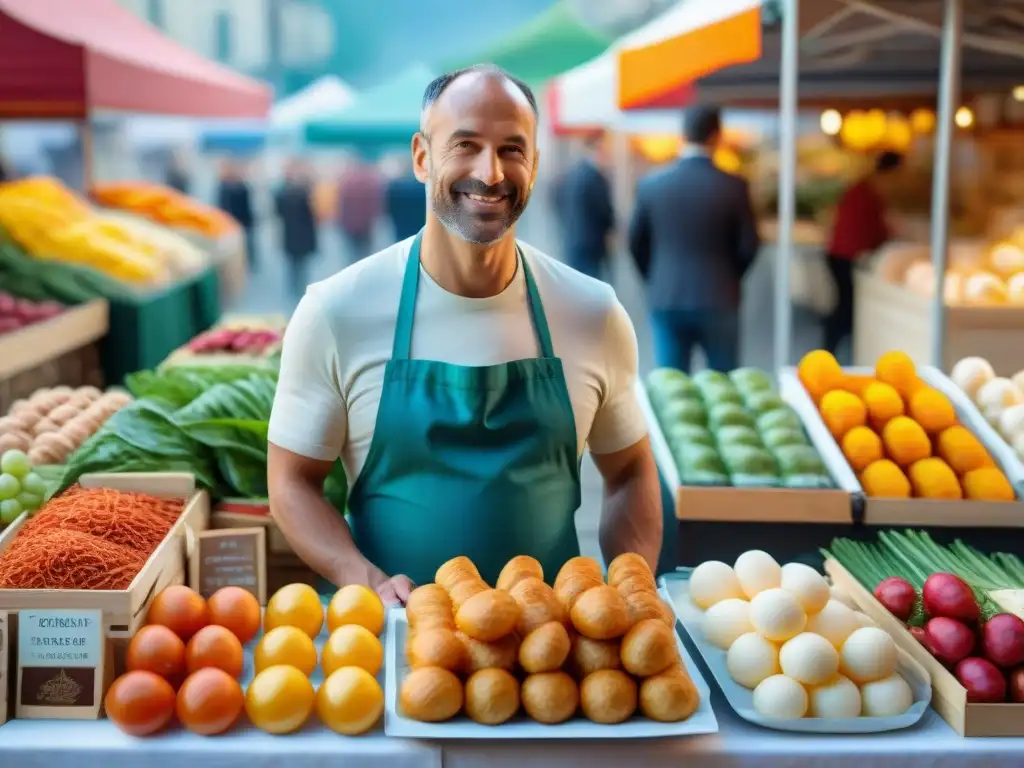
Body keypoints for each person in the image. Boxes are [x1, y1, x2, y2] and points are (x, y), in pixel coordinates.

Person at [267, 64, 662, 604]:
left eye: (512, 149)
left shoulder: (593, 313)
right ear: (422, 157)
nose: (492, 172)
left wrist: (630, 590)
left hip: (551, 656)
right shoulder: (337, 311)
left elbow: (632, 470)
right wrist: (363, 580)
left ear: (536, 163)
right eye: (466, 144)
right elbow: (291, 480)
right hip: (397, 651)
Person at [629, 105, 760, 373]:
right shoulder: (734, 186)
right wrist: (729, 275)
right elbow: (749, 245)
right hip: (720, 295)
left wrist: (654, 276)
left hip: (666, 294)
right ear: (717, 135)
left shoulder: (652, 184)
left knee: (672, 387)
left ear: (684, 134)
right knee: (725, 390)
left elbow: (635, 242)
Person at [825, 151, 902, 357]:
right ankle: (831, 351)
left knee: (846, 306)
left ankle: (833, 350)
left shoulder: (864, 188)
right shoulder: (868, 192)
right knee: (846, 308)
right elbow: (872, 229)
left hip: (842, 253)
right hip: (847, 255)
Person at [552, 133, 615, 280]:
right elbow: (605, 210)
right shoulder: (594, 176)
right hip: (591, 243)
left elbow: (558, 201)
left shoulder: (571, 173)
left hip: (572, 239)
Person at [275, 160, 319, 307]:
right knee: (302, 264)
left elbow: (277, 213)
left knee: (292, 265)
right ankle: (301, 289)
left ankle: (293, 289)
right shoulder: (305, 193)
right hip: (304, 235)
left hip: (289, 234)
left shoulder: (282, 193)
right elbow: (314, 214)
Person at [335, 158, 383, 262]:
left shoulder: (346, 183)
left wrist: (341, 221)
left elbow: (342, 205)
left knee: (351, 252)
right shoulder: (369, 183)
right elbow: (375, 205)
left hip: (350, 224)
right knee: (365, 252)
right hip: (366, 224)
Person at [216, 160, 257, 270]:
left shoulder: (240, 187)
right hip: (234, 222)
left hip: (240, 222)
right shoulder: (225, 186)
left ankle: (246, 264)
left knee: (244, 247)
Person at [384, 157, 427, 242]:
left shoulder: (394, 188)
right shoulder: (423, 188)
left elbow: (388, 208)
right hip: (420, 229)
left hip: (401, 230)